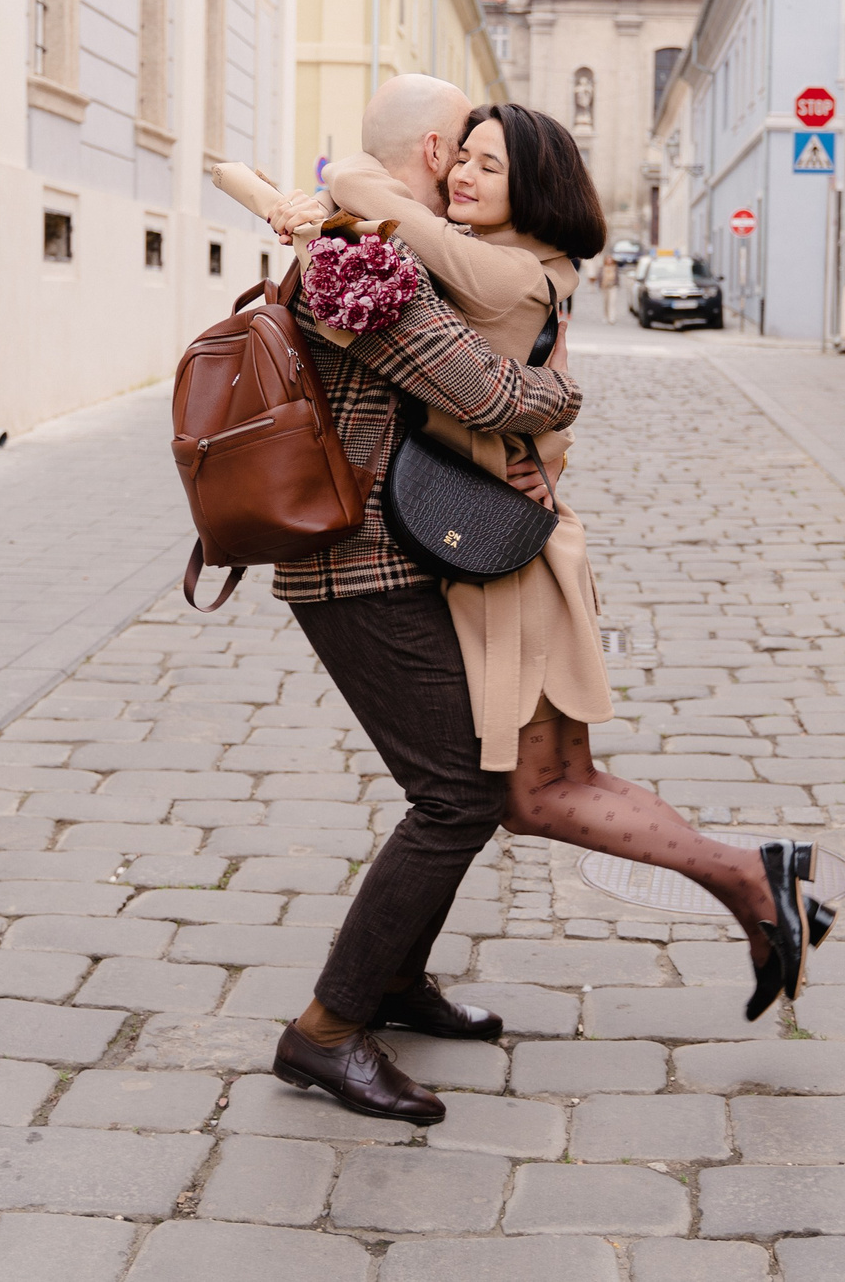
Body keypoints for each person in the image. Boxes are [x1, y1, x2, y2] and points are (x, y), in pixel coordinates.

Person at [282, 91, 830, 1026]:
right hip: (510, 546)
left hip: (502, 560)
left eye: (487, 163)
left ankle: (750, 874)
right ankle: (751, 878)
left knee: (522, 793)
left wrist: (343, 186)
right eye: (461, 155)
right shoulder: (500, 266)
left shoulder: (510, 273)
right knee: (541, 784)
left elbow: (495, 390)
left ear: (531, 187)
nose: (461, 171)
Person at [267, 79, 582, 1127]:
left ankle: (394, 984)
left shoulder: (368, 239)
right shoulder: (363, 258)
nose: (467, 175)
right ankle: (326, 1030)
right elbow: (487, 392)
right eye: (466, 155)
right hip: (352, 568)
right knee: (456, 795)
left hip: (382, 557)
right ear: (439, 149)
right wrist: (563, 397)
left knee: (456, 787)